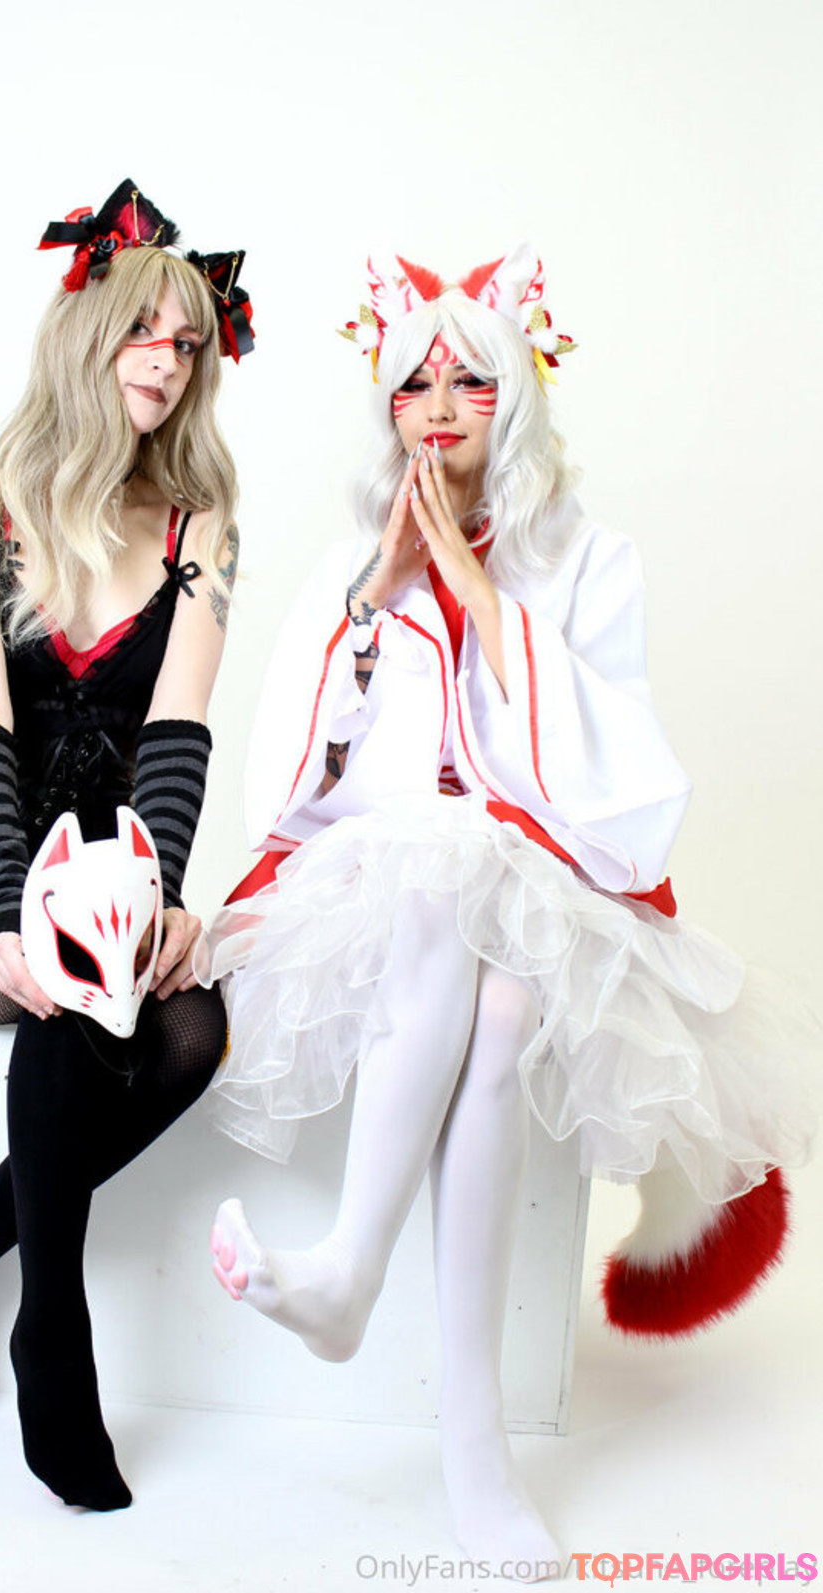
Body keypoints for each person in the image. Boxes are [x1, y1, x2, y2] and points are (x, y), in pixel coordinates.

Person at [198, 248, 817, 1573]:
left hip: (536, 898)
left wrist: (485, 605)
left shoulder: (592, 563)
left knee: (511, 997)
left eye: (468, 380)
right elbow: (283, 788)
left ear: (516, 397)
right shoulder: (352, 566)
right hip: (377, 901)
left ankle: (404, 1350)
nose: (437, 407)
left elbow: (627, 788)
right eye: (414, 382)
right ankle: (449, 1413)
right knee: (440, 883)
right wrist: (376, 597)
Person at [0, 179, 252, 1511]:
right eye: (143, 330)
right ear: (87, 332)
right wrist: (8, 906)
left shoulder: (200, 524)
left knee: (191, 1026)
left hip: (104, 861)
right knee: (74, 986)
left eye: (188, 342)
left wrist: (162, 898)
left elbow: (180, 731)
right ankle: (55, 1329)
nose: (167, 361)